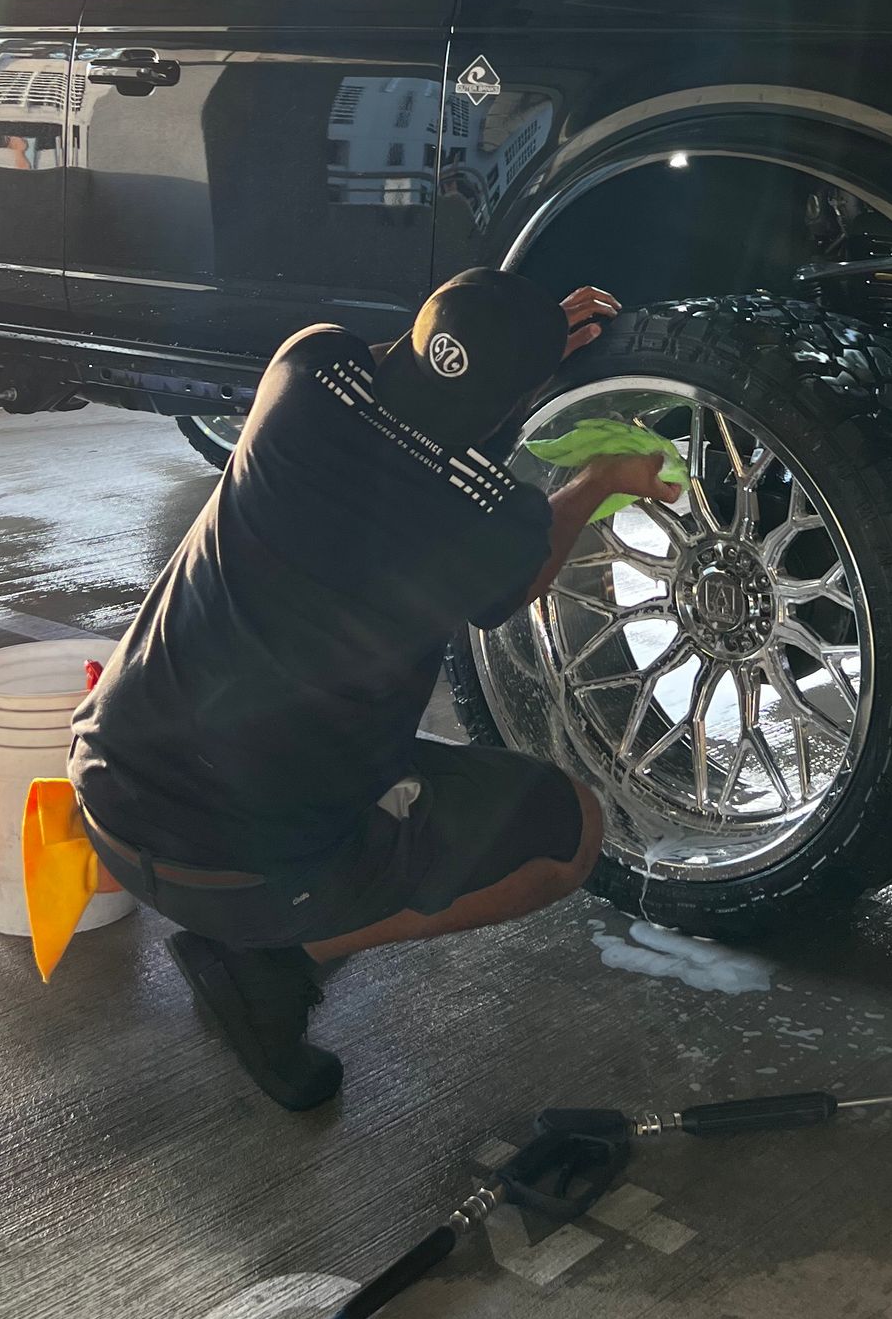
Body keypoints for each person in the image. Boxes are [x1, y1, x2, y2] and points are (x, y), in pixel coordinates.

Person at [69, 269, 677, 1109]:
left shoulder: (306, 371)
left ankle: (259, 916)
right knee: (567, 832)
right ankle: (271, 963)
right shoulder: (494, 529)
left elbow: (408, 400)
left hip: (106, 785)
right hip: (233, 873)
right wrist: (601, 476)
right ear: (513, 404)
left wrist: (488, 342)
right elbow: (523, 573)